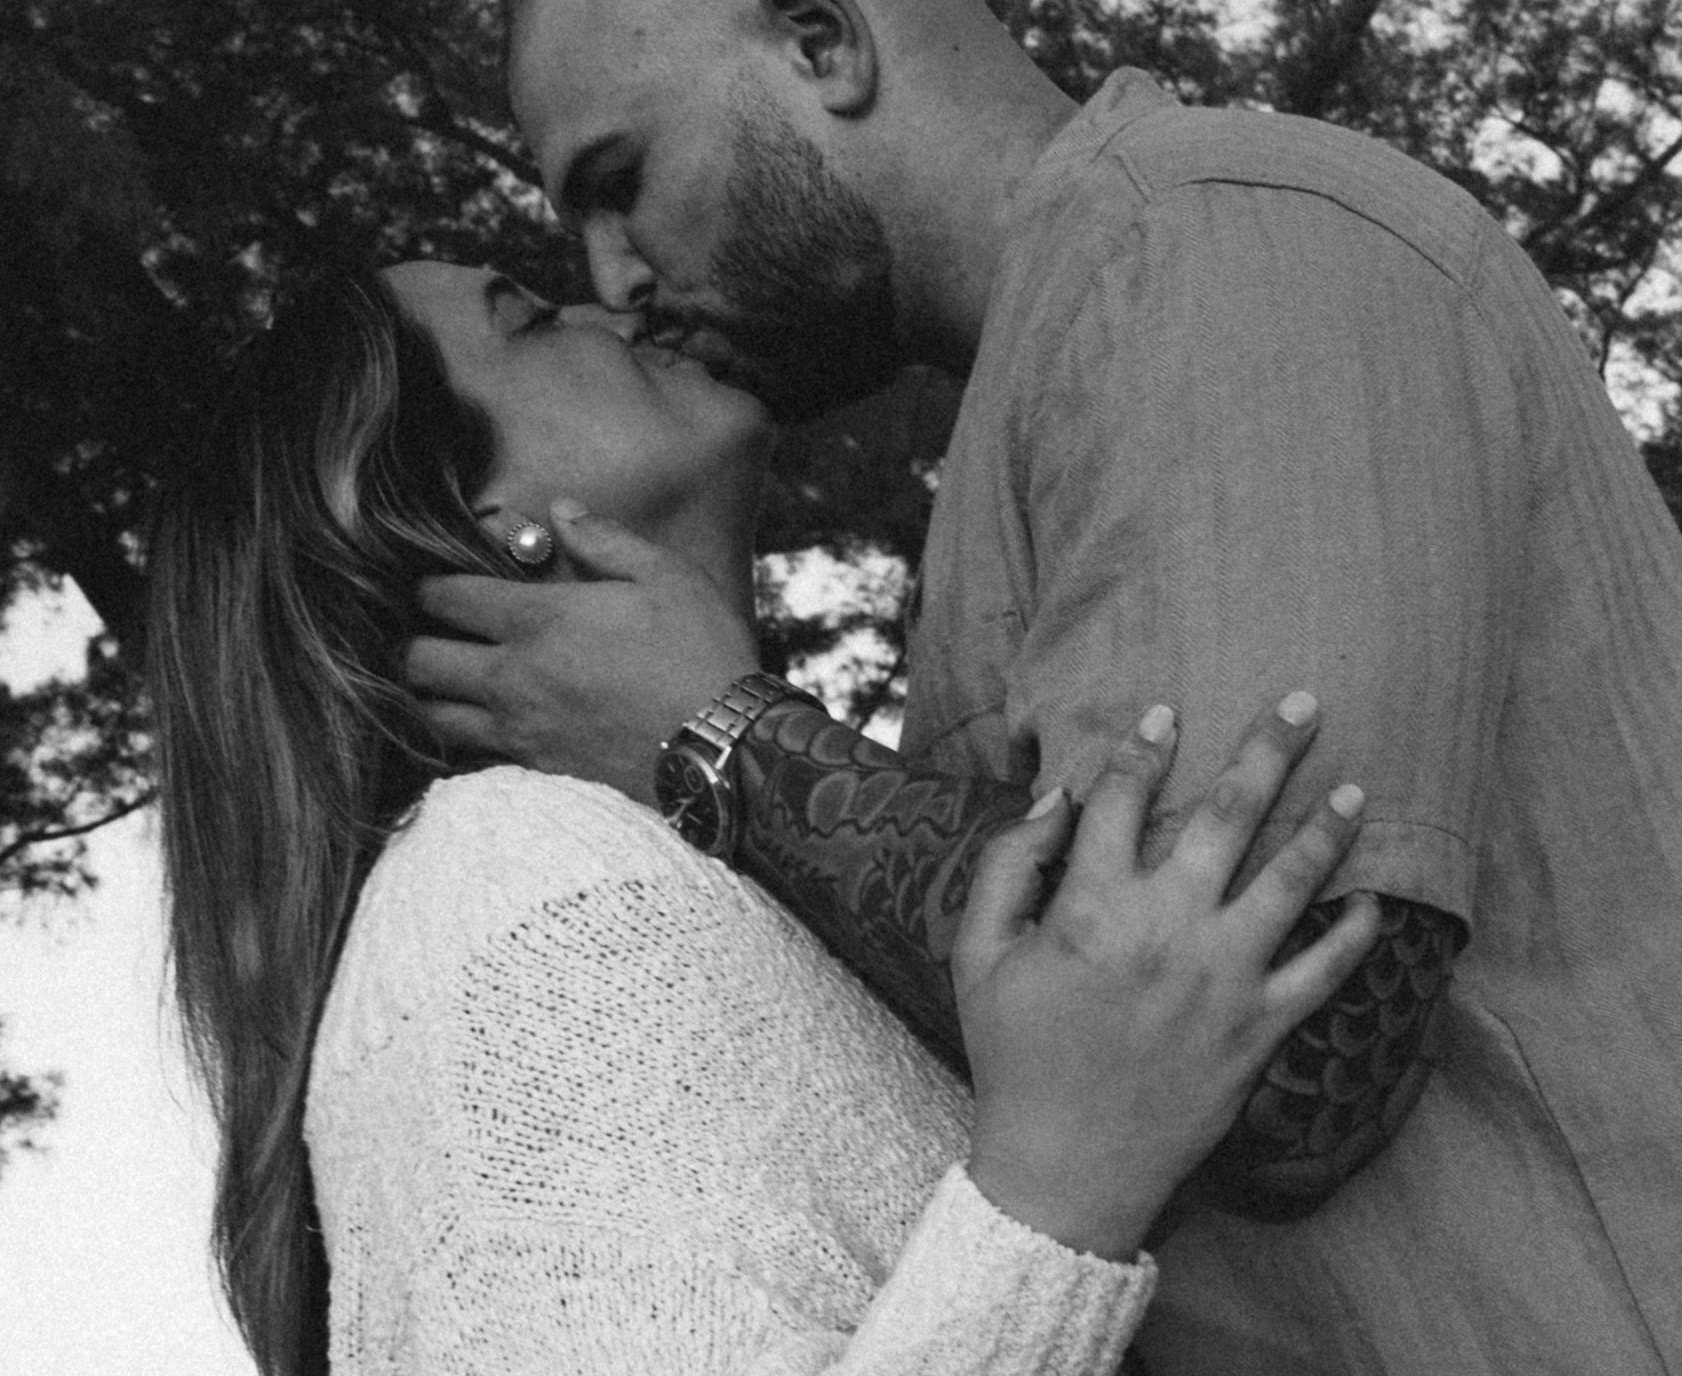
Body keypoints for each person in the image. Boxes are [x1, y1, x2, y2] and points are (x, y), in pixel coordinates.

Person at [418, 0, 1682, 1373]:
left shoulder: (1206, 254)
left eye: (619, 178)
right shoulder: (1060, 367)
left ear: (820, 42)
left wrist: (716, 735)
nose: (612, 276)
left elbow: (1279, 1059)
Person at [146, 261, 1385, 1376]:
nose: (607, 301)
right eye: (526, 318)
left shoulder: (651, 873)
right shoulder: (510, 885)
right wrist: (1060, 1186)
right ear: (478, 526)